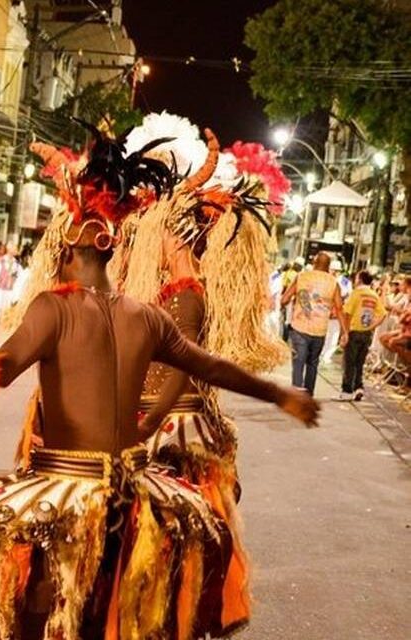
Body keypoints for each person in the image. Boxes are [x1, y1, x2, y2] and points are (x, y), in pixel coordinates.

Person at [0, 133, 317, 640]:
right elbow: (213, 367)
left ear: (74, 245)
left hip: (71, 489)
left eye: (58, 242)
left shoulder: (54, 308)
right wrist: (281, 394)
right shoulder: (147, 316)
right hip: (140, 493)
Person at [116, 122, 289, 635]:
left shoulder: (188, 293)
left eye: (162, 231)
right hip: (162, 416)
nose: (156, 239)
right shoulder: (172, 290)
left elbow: (185, 367)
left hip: (178, 427)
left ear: (179, 235)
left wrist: (147, 424)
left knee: (175, 528)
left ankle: (174, 609)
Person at [282, 252, 345, 395]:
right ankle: (308, 395)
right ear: (329, 267)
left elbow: (285, 299)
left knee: (298, 362)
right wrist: (345, 331)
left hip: (299, 327)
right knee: (312, 364)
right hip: (320, 330)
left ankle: (297, 394)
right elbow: (340, 308)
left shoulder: (301, 277)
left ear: (314, 263)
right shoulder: (334, 283)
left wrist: (289, 303)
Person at [340, 270, 386, 401]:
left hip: (354, 331)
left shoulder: (357, 293)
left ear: (359, 280)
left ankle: (347, 390)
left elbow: (347, 313)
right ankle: (358, 387)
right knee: (359, 362)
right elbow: (383, 314)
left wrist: (345, 332)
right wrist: (371, 326)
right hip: (366, 333)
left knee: (349, 362)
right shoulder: (373, 295)